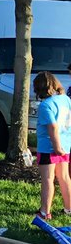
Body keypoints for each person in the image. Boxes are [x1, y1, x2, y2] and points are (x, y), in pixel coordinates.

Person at [34, 71, 71, 219]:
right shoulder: (66, 100)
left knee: (48, 179)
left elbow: (52, 126)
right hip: (65, 144)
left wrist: (56, 147)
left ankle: (44, 212)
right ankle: (69, 208)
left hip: (48, 147)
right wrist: (62, 146)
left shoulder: (45, 105)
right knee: (64, 177)